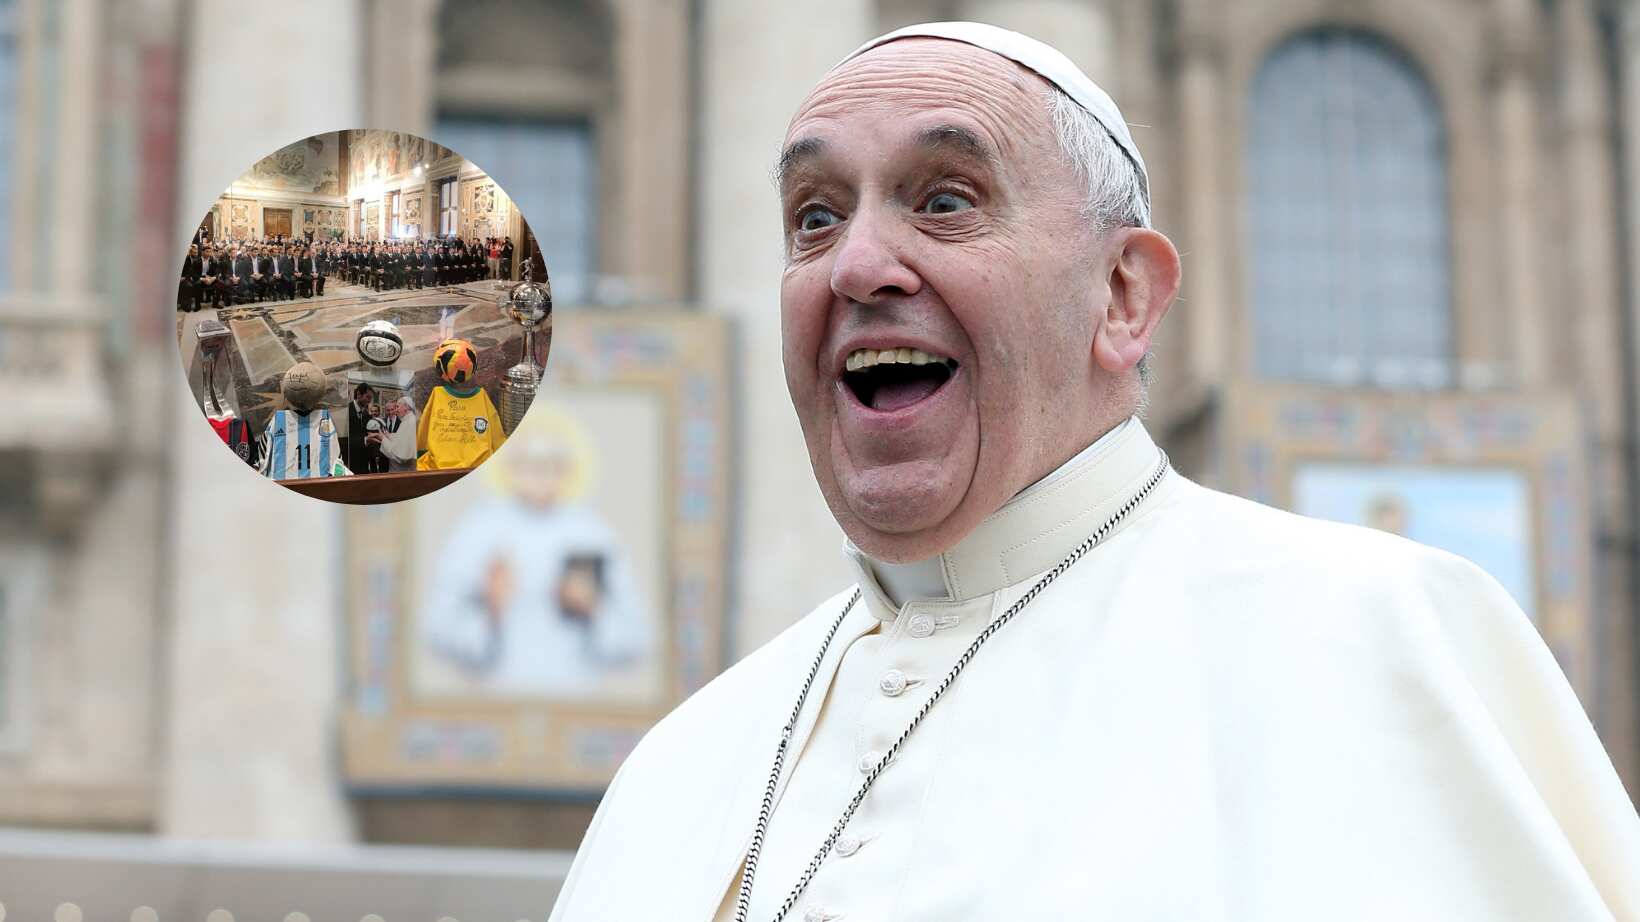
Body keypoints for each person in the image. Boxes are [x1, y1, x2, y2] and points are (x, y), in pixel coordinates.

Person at [547, 22, 1640, 922]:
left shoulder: (1377, 637)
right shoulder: (683, 761)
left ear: (1122, 296)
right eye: (814, 218)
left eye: (943, 199)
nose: (857, 265)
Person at [177, 244, 201, 312]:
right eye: (194, 252)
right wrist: (184, 278)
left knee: (198, 284)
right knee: (188, 286)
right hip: (185, 278)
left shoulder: (198, 259)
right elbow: (185, 271)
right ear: (190, 252)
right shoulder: (185, 259)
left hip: (193, 277)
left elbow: (197, 271)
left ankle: (197, 305)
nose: (195, 254)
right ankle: (186, 305)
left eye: (196, 252)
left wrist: (198, 278)